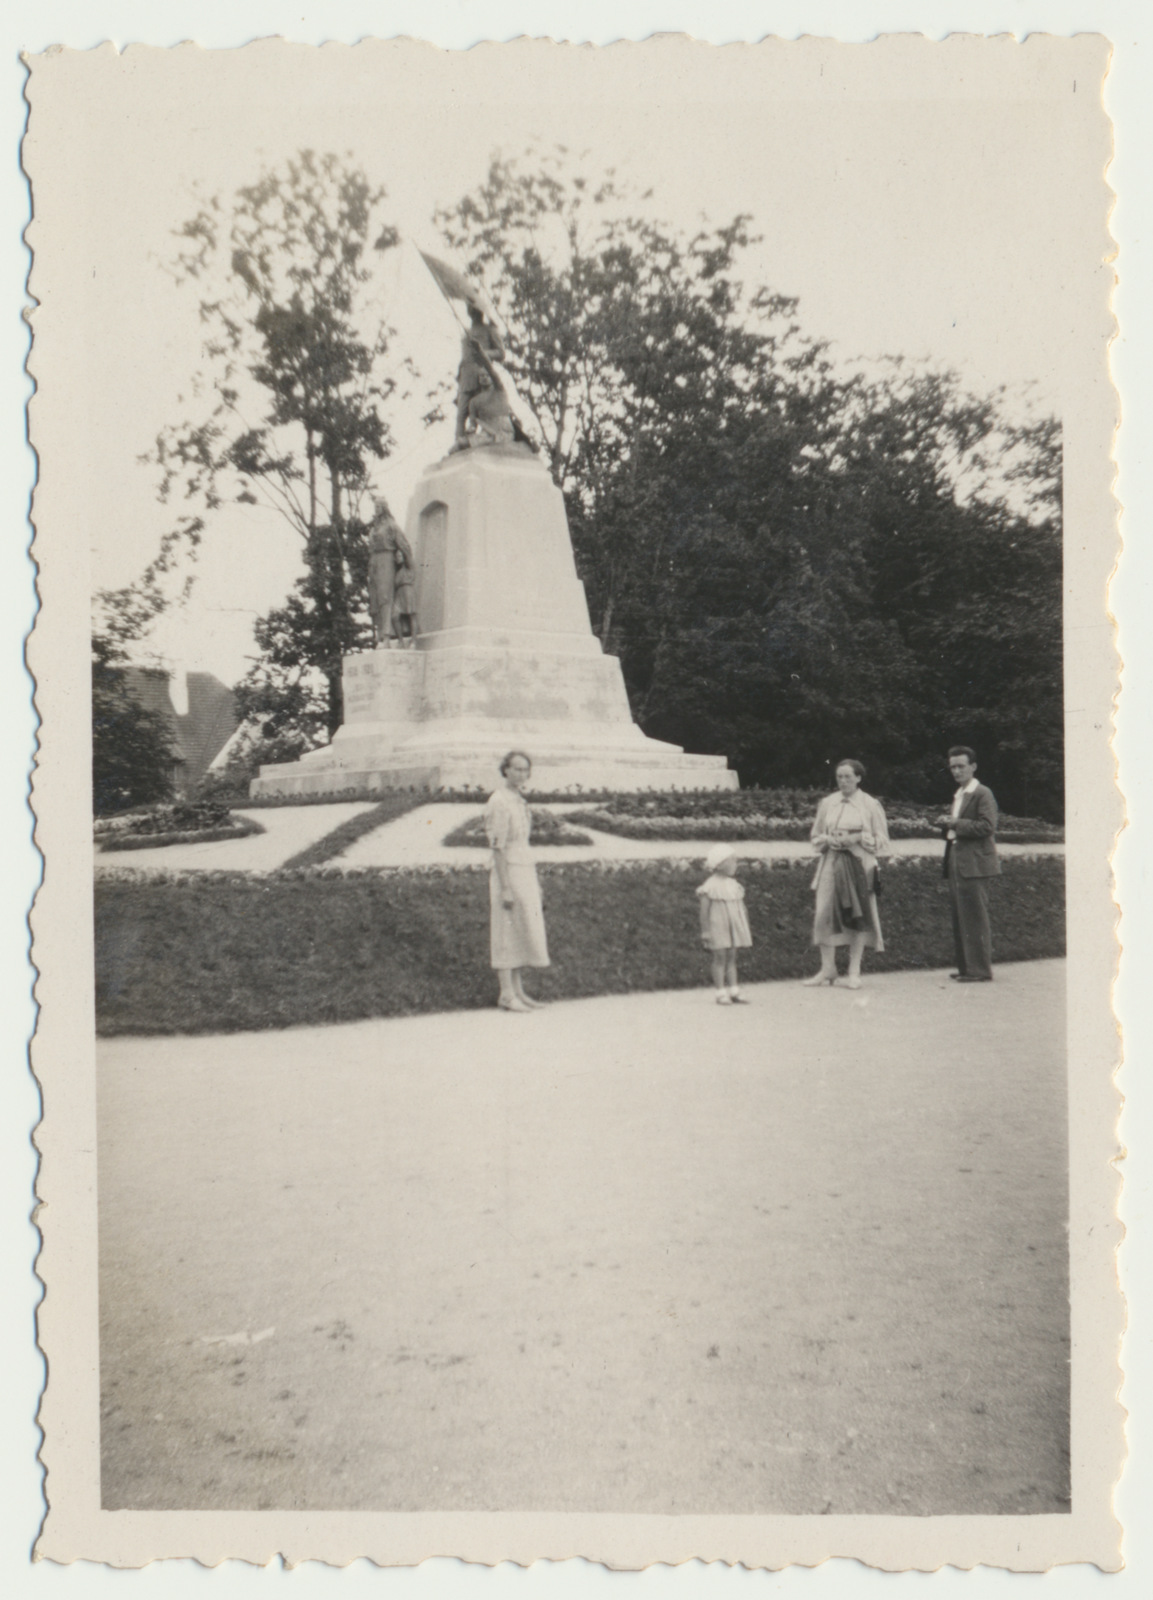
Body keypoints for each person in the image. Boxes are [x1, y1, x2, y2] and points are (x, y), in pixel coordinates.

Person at [804, 758, 892, 989]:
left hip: (859, 866)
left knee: (857, 916)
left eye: (848, 777)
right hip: (831, 864)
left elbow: (883, 841)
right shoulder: (828, 803)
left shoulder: (870, 804)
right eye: (839, 777)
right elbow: (815, 836)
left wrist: (857, 838)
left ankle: (854, 972)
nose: (843, 781)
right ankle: (827, 969)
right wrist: (828, 840)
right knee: (823, 913)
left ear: (859, 778)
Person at [483, 751, 550, 1012]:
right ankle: (506, 994)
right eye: (516, 769)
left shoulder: (518, 800)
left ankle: (519, 991)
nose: (521, 774)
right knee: (505, 930)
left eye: (525, 770)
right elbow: (497, 847)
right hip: (507, 871)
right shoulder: (499, 801)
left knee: (523, 928)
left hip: (524, 868)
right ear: (505, 770)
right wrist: (506, 887)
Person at [933, 745, 1001, 982]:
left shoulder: (982, 793)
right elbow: (961, 826)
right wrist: (949, 825)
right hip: (958, 860)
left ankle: (980, 970)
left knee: (974, 917)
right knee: (961, 915)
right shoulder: (960, 794)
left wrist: (954, 824)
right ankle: (967, 968)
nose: (957, 771)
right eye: (953, 767)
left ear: (973, 766)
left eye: (961, 766)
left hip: (974, 864)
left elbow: (987, 826)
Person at [697, 843, 753, 1005]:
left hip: (732, 927)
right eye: (732, 861)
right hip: (718, 926)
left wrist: (744, 925)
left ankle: (734, 990)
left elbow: (741, 907)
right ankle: (720, 991)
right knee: (719, 957)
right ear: (719, 865)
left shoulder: (733, 884)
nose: (735, 864)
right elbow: (704, 911)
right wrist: (706, 931)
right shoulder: (710, 885)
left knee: (732, 957)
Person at [366, 501, 417, 647]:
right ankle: (381, 634)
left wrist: (408, 568)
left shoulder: (391, 526)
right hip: (374, 561)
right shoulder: (375, 527)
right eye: (375, 506)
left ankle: (387, 636)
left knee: (385, 596)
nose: (376, 509)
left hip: (387, 559)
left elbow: (404, 546)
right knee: (376, 598)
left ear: (384, 508)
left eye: (378, 506)